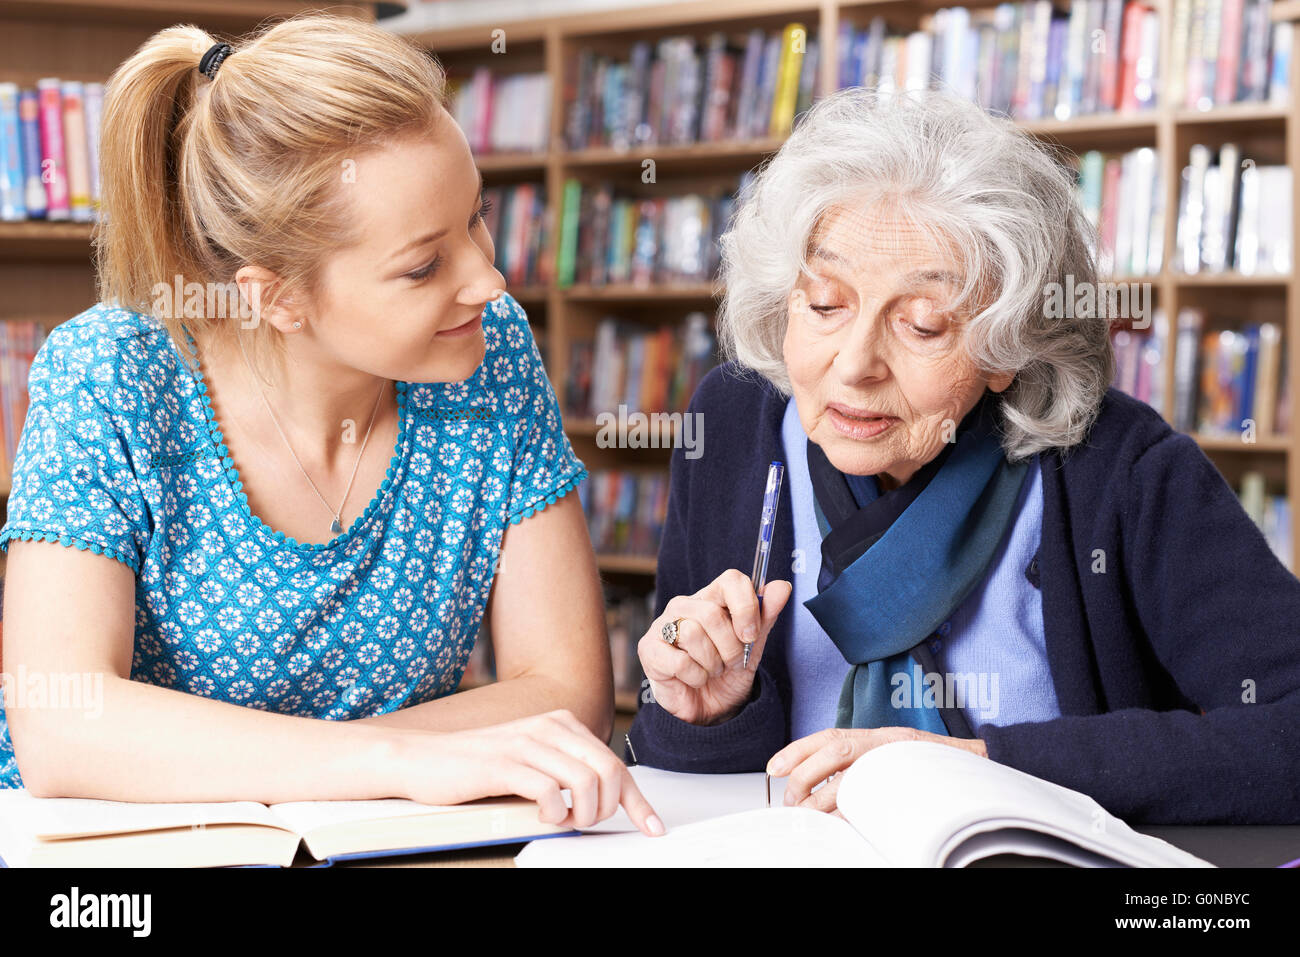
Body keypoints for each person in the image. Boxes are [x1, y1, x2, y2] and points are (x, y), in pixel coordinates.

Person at [0, 13, 661, 837]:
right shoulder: (108, 374)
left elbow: (567, 691)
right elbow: (61, 723)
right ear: (275, 296)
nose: (489, 280)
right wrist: (396, 762)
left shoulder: (490, 351)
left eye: (476, 220)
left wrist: (318, 768)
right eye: (424, 265)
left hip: (392, 844)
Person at [626, 86, 1300, 825]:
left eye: (922, 325)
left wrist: (990, 770)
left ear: (1007, 345)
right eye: (824, 304)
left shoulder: (1121, 468)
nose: (855, 364)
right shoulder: (731, 424)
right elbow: (688, 779)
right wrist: (702, 711)